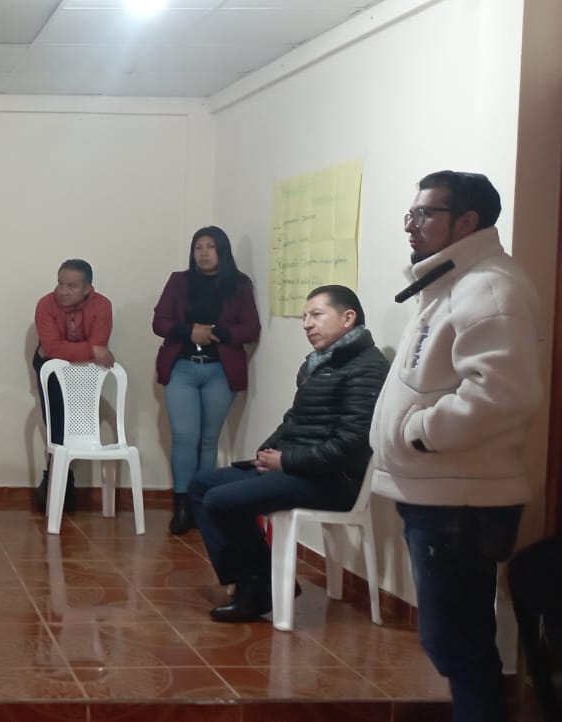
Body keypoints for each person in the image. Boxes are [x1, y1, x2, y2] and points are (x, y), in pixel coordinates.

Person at [370, 171, 541, 722]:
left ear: (467, 221)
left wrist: (421, 431)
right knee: (457, 641)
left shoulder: (488, 286)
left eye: (425, 214)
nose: (411, 225)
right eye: (411, 214)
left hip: (460, 502)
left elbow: (504, 392)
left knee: (458, 645)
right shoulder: (455, 280)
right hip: (446, 495)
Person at [188, 285, 386, 622]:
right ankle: (259, 579)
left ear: (348, 318)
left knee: (222, 500)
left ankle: (256, 586)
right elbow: (294, 420)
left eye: (316, 315)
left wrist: (285, 461)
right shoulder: (318, 363)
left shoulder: (367, 367)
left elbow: (350, 445)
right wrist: (268, 452)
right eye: (305, 317)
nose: (307, 324)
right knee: (201, 485)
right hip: (300, 468)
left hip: (335, 481)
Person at [153, 226, 261, 535]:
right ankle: (182, 506)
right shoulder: (179, 281)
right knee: (184, 437)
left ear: (222, 251)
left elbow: (251, 328)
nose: (203, 253)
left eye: (210, 246)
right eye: (198, 247)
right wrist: (190, 332)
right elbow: (159, 322)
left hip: (219, 371)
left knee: (209, 440)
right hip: (182, 368)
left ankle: (202, 506)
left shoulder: (239, 284)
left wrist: (217, 333)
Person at [32, 259, 114, 512]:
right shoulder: (45, 305)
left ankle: (56, 483)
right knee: (56, 424)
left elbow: (99, 343)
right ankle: (58, 482)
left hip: (86, 371)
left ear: (87, 288)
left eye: (72, 286)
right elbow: (52, 348)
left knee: (77, 426)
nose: (63, 291)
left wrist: (87, 351)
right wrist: (91, 350)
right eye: (60, 283)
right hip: (51, 368)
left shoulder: (102, 305)